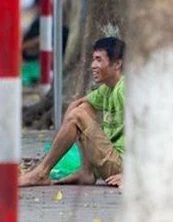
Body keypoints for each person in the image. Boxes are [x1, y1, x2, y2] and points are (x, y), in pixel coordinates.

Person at [19, 37, 126, 187]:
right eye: (93, 60)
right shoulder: (107, 88)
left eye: (99, 60)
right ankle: (86, 172)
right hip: (110, 161)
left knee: (78, 116)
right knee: (82, 109)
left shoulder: (125, 89)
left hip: (124, 167)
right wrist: (66, 130)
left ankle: (41, 173)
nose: (93, 65)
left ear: (117, 64)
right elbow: (78, 104)